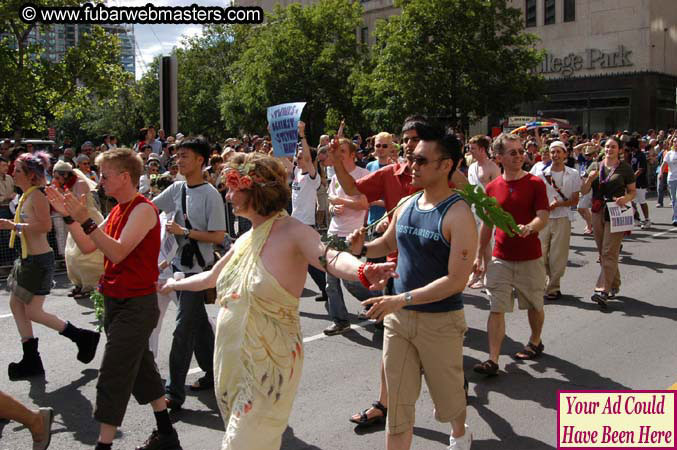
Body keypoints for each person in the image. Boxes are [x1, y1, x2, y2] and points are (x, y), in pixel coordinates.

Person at [158, 152, 396, 450]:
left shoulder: (293, 231)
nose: (228, 196)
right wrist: (169, 284)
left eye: (234, 188)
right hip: (232, 363)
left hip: (269, 366)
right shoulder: (245, 239)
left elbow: (330, 258)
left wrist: (362, 269)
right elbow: (209, 279)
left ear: (255, 190)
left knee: (241, 444)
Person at [330, 115, 467, 428]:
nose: (408, 147)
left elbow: (467, 200)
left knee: (441, 370)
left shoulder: (447, 182)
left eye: (413, 140)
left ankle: (454, 404)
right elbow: (352, 188)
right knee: (392, 354)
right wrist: (339, 161)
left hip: (436, 282)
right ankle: (385, 404)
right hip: (395, 272)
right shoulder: (392, 174)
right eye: (405, 140)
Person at [46, 147, 182, 450]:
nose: (100, 180)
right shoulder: (118, 209)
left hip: (137, 304)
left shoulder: (144, 209)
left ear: (124, 176)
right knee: (141, 368)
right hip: (115, 301)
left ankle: (103, 446)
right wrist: (69, 216)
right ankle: (167, 435)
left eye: (104, 175)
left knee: (113, 374)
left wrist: (87, 220)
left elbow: (117, 252)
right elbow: (87, 246)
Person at [0, 153, 100, 380]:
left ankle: (82, 337)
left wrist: (12, 226)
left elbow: (45, 226)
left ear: (30, 175)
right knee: (16, 305)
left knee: (33, 311)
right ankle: (31, 358)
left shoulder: (37, 196)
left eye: (16, 170)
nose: (11, 172)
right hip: (27, 260)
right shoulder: (26, 195)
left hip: (38, 261)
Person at [153, 136, 226, 405]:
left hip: (198, 273)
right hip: (177, 269)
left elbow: (219, 236)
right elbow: (150, 208)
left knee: (183, 329)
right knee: (198, 327)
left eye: (185, 156)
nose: (179, 160)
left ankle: (173, 392)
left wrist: (184, 231)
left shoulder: (211, 195)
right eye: (178, 155)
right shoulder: (176, 189)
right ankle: (214, 370)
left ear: (200, 161)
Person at [472, 133, 550, 376]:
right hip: (500, 258)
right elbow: (487, 223)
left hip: (530, 256)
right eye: (513, 152)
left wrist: (531, 227)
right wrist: (478, 256)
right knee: (497, 307)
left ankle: (535, 341)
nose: (519, 156)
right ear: (500, 157)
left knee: (535, 304)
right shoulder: (493, 187)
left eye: (520, 152)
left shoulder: (535, 183)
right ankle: (493, 359)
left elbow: (543, 215)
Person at [580, 136, 636, 308]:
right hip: (598, 210)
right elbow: (583, 191)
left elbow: (632, 192)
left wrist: (625, 198)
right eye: (607, 147)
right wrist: (589, 179)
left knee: (608, 252)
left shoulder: (625, 168)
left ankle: (602, 290)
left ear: (619, 150)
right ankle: (614, 283)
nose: (610, 149)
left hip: (617, 210)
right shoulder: (595, 165)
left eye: (613, 147)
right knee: (603, 251)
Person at [323, 138, 370, 335]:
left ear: (352, 155)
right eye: (337, 151)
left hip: (351, 234)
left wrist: (340, 200)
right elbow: (332, 204)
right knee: (330, 282)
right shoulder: (335, 178)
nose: (338, 154)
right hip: (333, 233)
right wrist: (334, 207)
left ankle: (375, 300)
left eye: (342, 151)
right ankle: (340, 320)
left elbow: (364, 204)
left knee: (351, 282)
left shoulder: (363, 175)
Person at [51, 160, 104, 300]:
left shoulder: (80, 183)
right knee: (72, 254)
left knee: (87, 255)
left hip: (88, 218)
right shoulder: (65, 185)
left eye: (57, 177)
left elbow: (77, 203)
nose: (55, 180)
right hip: (75, 220)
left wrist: (61, 194)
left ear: (65, 175)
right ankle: (79, 283)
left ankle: (91, 285)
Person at [535, 141, 581, 300]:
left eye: (558, 152)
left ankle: (553, 286)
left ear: (565, 154)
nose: (555, 155)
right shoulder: (540, 174)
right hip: (543, 218)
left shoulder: (573, 173)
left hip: (562, 218)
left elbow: (575, 200)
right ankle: (543, 282)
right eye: (552, 152)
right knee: (540, 254)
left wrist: (559, 204)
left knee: (558, 256)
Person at [290, 121, 327, 302]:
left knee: (310, 261)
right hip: (294, 223)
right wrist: (275, 136)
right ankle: (326, 288)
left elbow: (306, 153)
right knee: (306, 261)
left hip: (306, 225)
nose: (298, 159)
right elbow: (281, 159)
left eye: (301, 156)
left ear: (309, 159)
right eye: (297, 157)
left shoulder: (313, 177)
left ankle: (327, 286)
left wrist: (302, 134)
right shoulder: (297, 171)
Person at [465, 135, 500, 289]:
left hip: (487, 210)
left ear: (482, 149)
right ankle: (477, 272)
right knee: (475, 242)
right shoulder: (472, 166)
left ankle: (487, 275)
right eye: (469, 148)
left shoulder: (493, 167)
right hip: (473, 209)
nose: (470, 151)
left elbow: (499, 192)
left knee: (485, 244)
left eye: (473, 148)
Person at [628, 138, 650, 228]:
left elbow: (640, 170)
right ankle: (636, 219)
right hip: (634, 183)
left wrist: (631, 179)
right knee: (632, 202)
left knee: (642, 202)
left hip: (640, 183)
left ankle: (647, 220)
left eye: (630, 147)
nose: (628, 148)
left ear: (633, 147)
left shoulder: (641, 155)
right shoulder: (633, 155)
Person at [660, 136, 677, 225]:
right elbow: (663, 165)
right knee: (674, 199)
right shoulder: (669, 154)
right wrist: (660, 173)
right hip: (671, 179)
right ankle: (675, 217)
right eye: (674, 142)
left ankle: (675, 217)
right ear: (672, 143)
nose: (676, 143)